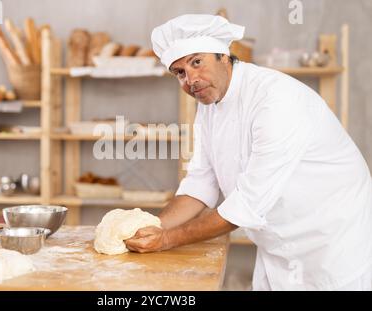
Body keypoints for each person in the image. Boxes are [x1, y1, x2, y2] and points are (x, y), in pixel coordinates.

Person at [124, 14, 372, 290]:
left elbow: (246, 206)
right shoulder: (209, 106)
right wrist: (152, 226)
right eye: (179, 72)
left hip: (332, 245)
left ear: (223, 56)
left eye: (197, 62)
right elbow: (200, 183)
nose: (190, 79)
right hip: (278, 247)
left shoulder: (276, 100)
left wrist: (166, 240)